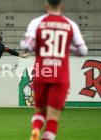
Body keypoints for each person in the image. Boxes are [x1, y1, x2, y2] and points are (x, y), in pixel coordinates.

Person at [20, 0, 88, 139]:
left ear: (46, 6)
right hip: (60, 75)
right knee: (53, 117)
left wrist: (37, 45)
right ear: (61, 6)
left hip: (41, 73)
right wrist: (67, 48)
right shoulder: (70, 25)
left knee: (40, 111)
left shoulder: (37, 22)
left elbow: (26, 45)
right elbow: (83, 51)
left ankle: (36, 129)